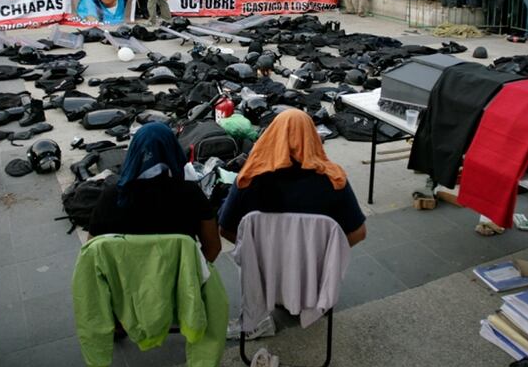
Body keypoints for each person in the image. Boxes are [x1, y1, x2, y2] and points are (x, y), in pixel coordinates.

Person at [218, 108, 366, 247]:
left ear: (272, 136)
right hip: (316, 272)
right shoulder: (334, 180)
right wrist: (323, 255)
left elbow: (225, 230)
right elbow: (358, 233)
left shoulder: (248, 179)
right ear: (312, 138)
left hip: (264, 271)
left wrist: (260, 252)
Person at [87, 123, 221, 263]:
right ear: (173, 150)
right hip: (180, 282)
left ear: (134, 152)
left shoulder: (112, 196)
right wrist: (191, 274)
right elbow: (213, 247)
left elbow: (90, 251)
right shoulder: (191, 194)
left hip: (125, 283)